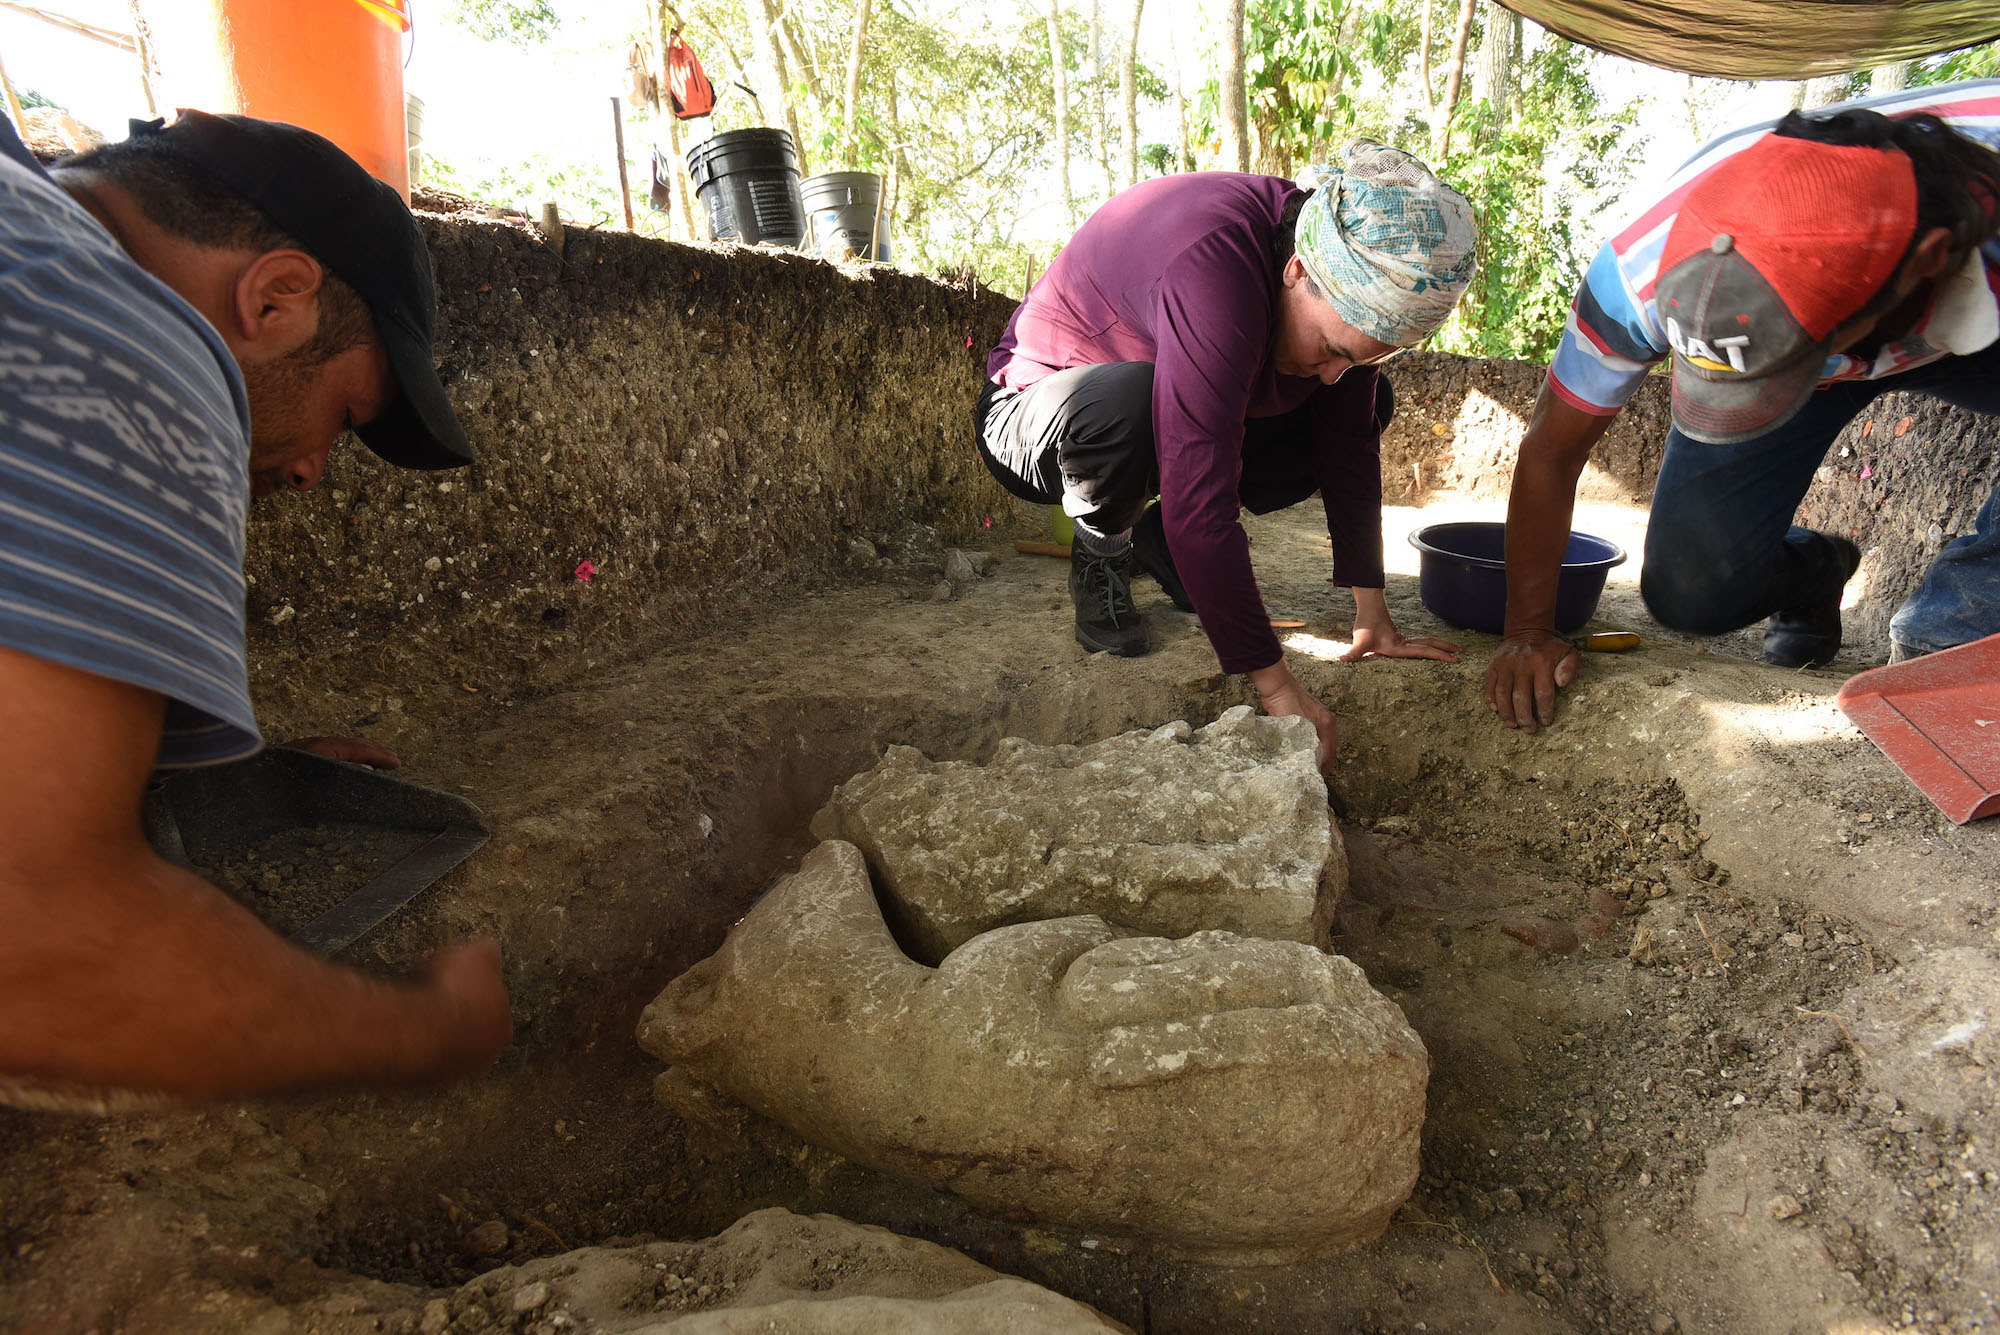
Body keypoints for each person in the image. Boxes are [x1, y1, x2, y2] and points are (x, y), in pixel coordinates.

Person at [0, 109, 513, 1105]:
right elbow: (34, 949)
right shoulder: (112, 333)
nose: (315, 471)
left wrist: (190, 774)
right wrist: (433, 1031)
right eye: (345, 414)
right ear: (277, 298)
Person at [1486, 80, 2000, 734]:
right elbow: (1552, 448)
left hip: (1963, 322)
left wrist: (1967, 613)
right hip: (1834, 334)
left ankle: (1963, 624)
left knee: (1962, 634)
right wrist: (1528, 631)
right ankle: (1816, 573)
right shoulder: (1636, 275)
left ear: (1926, 261)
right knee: (1691, 590)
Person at [976, 143, 1477, 773]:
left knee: (1363, 404)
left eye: (1354, 355)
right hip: (1038, 415)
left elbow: (1349, 448)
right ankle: (1103, 546)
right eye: (1328, 347)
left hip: (1163, 402)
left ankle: (1155, 539)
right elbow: (1201, 505)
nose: (1330, 375)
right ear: (1296, 270)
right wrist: (1276, 685)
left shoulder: (1333, 268)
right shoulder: (1218, 269)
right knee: (1135, 405)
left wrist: (1372, 613)